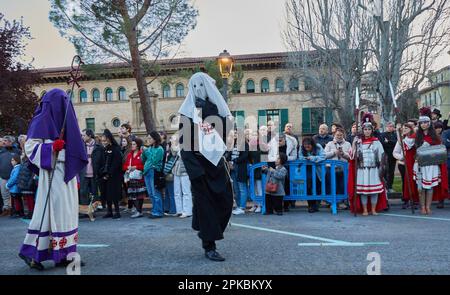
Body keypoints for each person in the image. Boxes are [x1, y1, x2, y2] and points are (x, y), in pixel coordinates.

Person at [19, 89, 88, 271]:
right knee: (49, 212)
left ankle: (66, 254)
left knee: (67, 213)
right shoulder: (41, 119)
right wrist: (50, 149)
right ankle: (31, 253)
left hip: (67, 175)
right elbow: (30, 146)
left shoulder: (69, 122)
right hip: (51, 174)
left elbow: (76, 148)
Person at [178, 72, 233, 262]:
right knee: (206, 207)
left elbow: (225, 131)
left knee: (225, 202)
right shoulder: (187, 113)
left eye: (201, 86)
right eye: (193, 87)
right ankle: (209, 245)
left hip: (216, 166)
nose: (197, 91)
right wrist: (196, 173)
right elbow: (185, 146)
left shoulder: (215, 108)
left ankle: (207, 231)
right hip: (199, 169)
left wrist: (209, 111)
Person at [348, 114, 388, 216]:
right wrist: (354, 143)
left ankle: (373, 209)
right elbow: (352, 156)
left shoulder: (376, 142)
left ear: (372, 130)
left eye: (369, 129)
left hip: (374, 169)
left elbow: (382, 156)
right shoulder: (358, 142)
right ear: (363, 130)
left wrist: (382, 169)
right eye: (365, 129)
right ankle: (365, 209)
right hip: (362, 170)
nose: (367, 131)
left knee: (374, 191)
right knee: (363, 191)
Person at [413, 108, 448, 214]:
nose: (423, 124)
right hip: (420, 165)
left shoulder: (435, 137)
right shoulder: (416, 136)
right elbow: (405, 146)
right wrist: (398, 132)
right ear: (419, 124)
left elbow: (440, 150)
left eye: (425, 122)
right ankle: (422, 206)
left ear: (429, 123)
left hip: (431, 165)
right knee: (421, 187)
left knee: (430, 187)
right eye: (421, 123)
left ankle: (428, 207)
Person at [393, 123, 419, 209]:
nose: (404, 130)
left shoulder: (415, 138)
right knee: (406, 181)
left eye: (406, 128)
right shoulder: (402, 139)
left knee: (414, 180)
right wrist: (401, 158)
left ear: (411, 129)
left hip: (414, 162)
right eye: (403, 128)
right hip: (404, 163)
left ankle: (415, 199)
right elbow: (396, 151)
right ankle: (407, 199)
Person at [324, 127, 351, 207]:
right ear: (334, 135)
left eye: (341, 135)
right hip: (331, 168)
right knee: (331, 185)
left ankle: (341, 201)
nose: (339, 136)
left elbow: (350, 157)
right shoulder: (329, 144)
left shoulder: (348, 144)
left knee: (342, 185)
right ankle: (331, 201)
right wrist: (334, 153)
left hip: (343, 169)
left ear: (344, 135)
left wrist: (343, 154)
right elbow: (324, 155)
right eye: (337, 135)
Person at [298, 137, 326, 213]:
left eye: (308, 145)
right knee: (308, 187)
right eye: (305, 145)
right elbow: (300, 157)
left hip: (317, 170)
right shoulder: (301, 148)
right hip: (307, 170)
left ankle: (316, 205)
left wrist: (312, 158)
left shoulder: (318, 147)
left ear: (312, 144)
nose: (306, 147)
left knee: (318, 187)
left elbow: (323, 156)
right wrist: (305, 159)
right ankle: (311, 205)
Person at [99, 129, 123, 220]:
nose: (103, 142)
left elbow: (116, 163)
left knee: (114, 194)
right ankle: (109, 211)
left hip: (114, 176)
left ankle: (117, 211)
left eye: (105, 140)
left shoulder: (115, 149)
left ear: (109, 139)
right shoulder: (104, 149)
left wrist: (109, 174)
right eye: (102, 141)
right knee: (106, 194)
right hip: (104, 175)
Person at [142, 131, 165, 219]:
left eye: (150, 138)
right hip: (147, 171)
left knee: (155, 193)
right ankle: (154, 210)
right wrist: (144, 153)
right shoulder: (149, 148)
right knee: (151, 193)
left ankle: (158, 212)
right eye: (148, 138)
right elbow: (143, 160)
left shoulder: (160, 149)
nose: (148, 140)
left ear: (155, 139)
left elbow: (154, 160)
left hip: (154, 172)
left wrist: (146, 151)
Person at [80, 129, 104, 211]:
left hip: (95, 173)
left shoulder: (98, 146)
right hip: (83, 173)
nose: (82, 137)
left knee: (95, 192)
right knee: (83, 192)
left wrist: (100, 171)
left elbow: (102, 161)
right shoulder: (81, 146)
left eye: (84, 135)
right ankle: (85, 210)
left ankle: (93, 209)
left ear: (89, 136)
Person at [227, 130, 249, 215]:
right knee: (236, 188)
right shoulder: (232, 143)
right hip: (232, 168)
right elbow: (228, 154)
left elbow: (245, 156)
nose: (235, 135)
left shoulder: (244, 144)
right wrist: (229, 162)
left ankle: (242, 207)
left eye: (237, 133)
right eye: (234, 133)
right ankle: (239, 206)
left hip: (240, 168)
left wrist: (234, 161)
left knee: (242, 188)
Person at [123, 138, 147, 218]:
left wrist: (136, 167)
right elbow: (124, 166)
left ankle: (139, 211)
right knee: (133, 195)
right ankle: (138, 210)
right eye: (132, 144)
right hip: (131, 178)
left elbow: (144, 165)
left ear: (138, 145)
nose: (132, 146)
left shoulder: (141, 154)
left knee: (140, 195)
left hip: (139, 178)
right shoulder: (130, 155)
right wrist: (128, 167)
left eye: (134, 144)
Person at [170, 134, 193, 218]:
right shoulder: (176, 146)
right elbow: (173, 155)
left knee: (186, 191)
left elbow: (185, 156)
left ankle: (187, 211)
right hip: (176, 171)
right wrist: (173, 144)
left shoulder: (188, 146)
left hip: (185, 171)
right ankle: (179, 210)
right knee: (176, 192)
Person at [0, 136, 20, 216]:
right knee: (4, 194)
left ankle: (15, 210)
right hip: (2, 176)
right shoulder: (1, 151)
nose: (4, 142)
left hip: (13, 176)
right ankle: (6, 209)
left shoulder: (17, 151)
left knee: (15, 193)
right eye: (3, 141)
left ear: (10, 142)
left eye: (6, 141)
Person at [17, 154, 37, 220]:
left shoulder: (32, 162)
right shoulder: (23, 161)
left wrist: (30, 183)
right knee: (26, 200)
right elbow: (21, 173)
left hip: (29, 184)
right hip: (23, 184)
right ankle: (28, 213)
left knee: (30, 200)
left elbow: (33, 174)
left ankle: (31, 213)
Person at [381, 122, 398, 193]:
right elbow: (383, 143)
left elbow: (396, 143)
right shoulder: (383, 134)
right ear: (386, 127)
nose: (390, 128)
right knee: (384, 171)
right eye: (389, 126)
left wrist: (389, 142)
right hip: (385, 155)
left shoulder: (395, 134)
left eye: (392, 126)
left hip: (393, 156)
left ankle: (390, 186)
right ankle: (384, 187)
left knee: (391, 172)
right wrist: (390, 143)